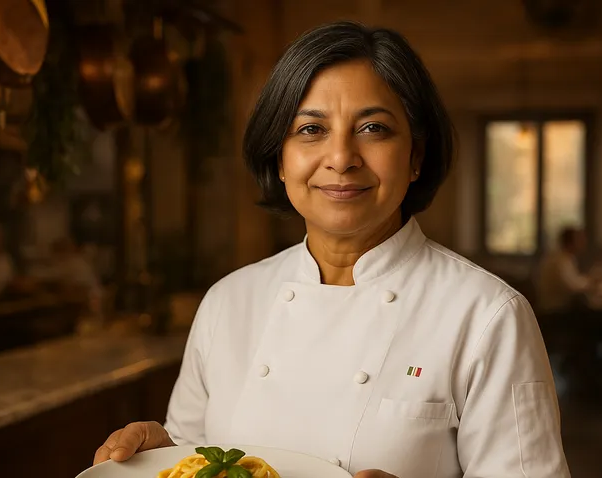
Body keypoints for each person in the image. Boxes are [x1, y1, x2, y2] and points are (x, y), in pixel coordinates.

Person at [94, 22, 569, 478]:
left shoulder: (487, 315)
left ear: (416, 157)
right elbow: (197, 457)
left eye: (373, 128)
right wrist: (162, 455)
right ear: (279, 159)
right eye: (310, 130)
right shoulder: (227, 302)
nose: (341, 159)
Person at [537, 226, 589, 314]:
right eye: (579, 240)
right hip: (555, 311)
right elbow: (573, 285)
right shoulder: (561, 260)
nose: (583, 243)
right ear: (570, 242)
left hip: (555, 308)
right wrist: (592, 282)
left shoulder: (560, 257)